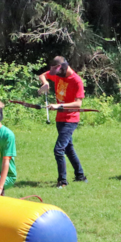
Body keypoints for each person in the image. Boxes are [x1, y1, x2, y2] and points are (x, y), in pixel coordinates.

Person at [37, 56, 88, 188]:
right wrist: (45, 83)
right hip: (60, 118)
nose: (56, 75)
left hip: (71, 119)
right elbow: (42, 75)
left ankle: (62, 182)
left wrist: (59, 106)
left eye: (57, 72)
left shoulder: (76, 81)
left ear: (64, 67)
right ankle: (80, 176)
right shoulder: (57, 75)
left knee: (59, 149)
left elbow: (78, 103)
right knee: (68, 148)